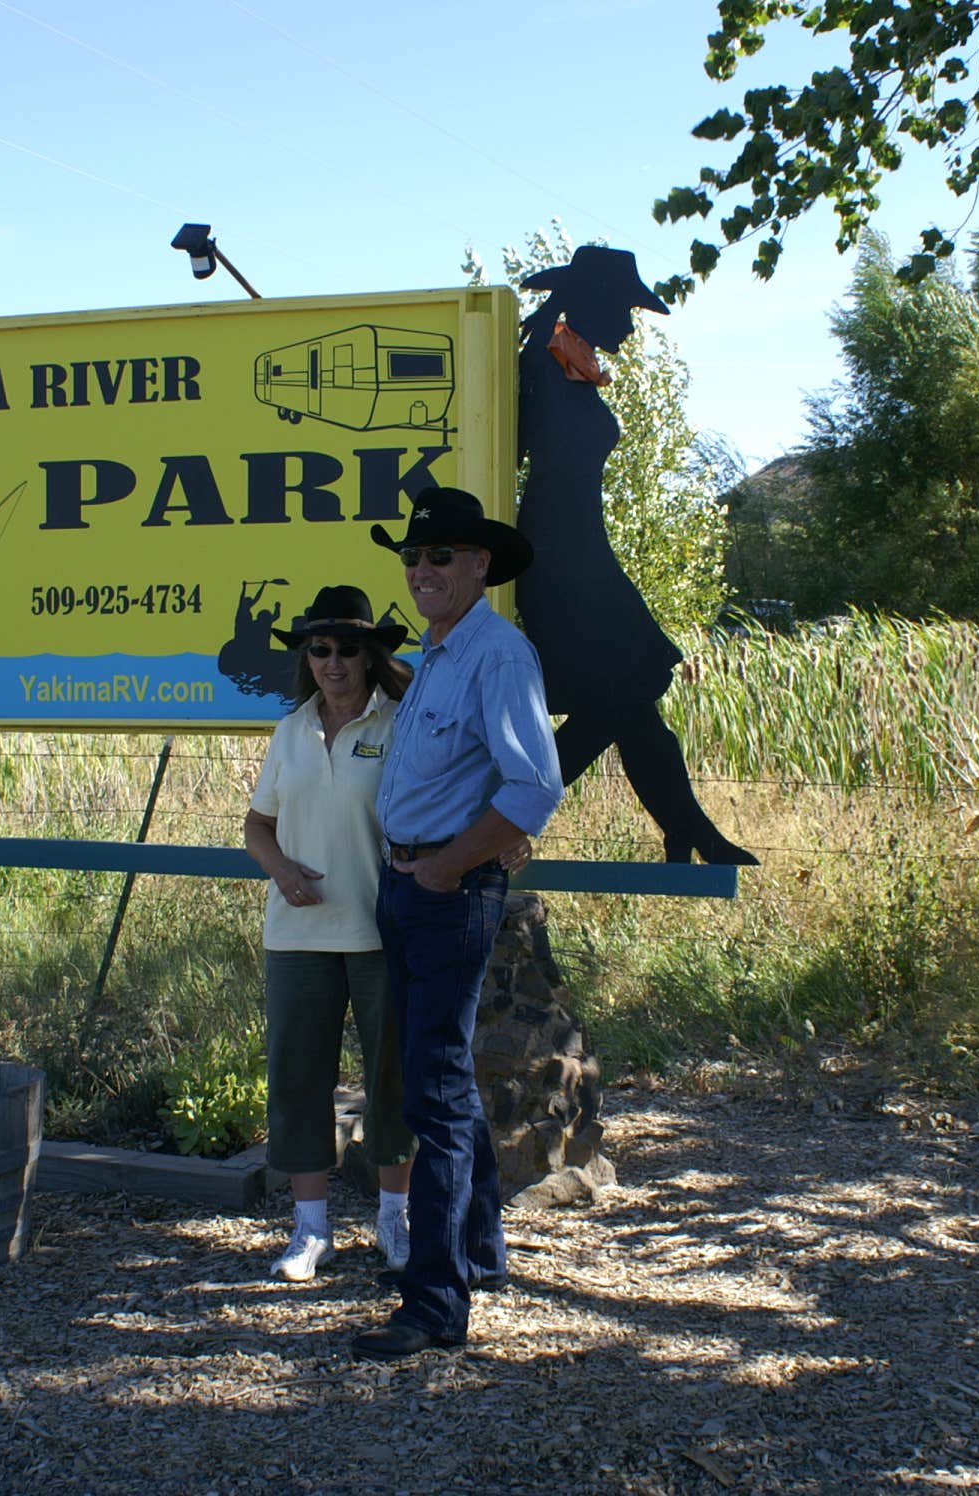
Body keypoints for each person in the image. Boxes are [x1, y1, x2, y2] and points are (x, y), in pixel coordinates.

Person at [351, 486, 564, 1361]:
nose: (423, 569)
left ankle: (434, 1302)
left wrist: (451, 863)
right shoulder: (441, 653)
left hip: (445, 888)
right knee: (440, 1077)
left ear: (480, 565)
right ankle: (477, 1251)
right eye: (413, 556)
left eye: (442, 556)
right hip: (407, 882)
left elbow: (533, 790)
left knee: (433, 1091)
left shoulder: (498, 655)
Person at [515, 245, 755, 864]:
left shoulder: (568, 359)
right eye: (624, 308)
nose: (629, 323)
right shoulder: (542, 362)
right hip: (557, 556)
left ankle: (686, 828)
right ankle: (506, 817)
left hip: (581, 547)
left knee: (634, 700)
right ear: (590, 301)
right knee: (621, 695)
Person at [243, 585, 417, 1281]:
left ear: (371, 655)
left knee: (393, 1080)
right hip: (298, 936)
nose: (334, 661)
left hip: (383, 931)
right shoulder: (290, 730)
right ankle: (311, 1231)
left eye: (348, 648)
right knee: (298, 1079)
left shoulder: (402, 723)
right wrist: (280, 867)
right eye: (320, 648)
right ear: (306, 656)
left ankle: (394, 1220)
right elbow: (257, 825)